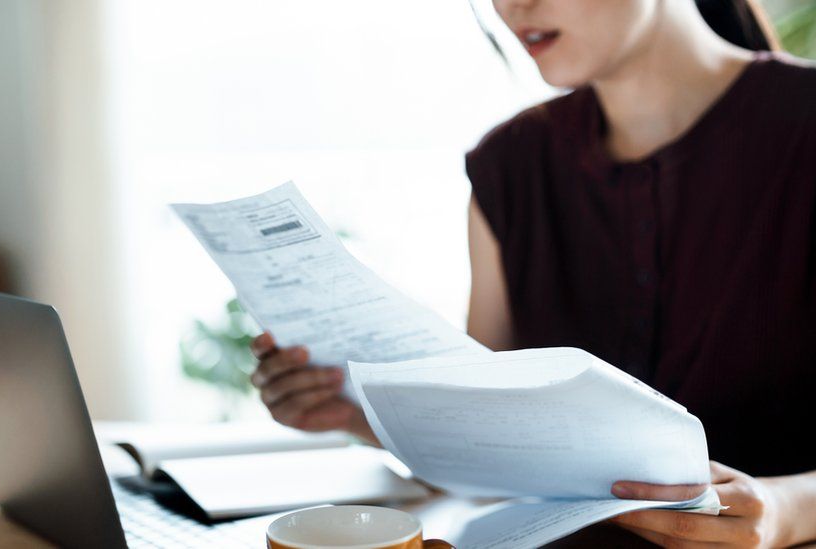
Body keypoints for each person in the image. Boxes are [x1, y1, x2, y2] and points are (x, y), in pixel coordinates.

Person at [249, 0, 816, 545]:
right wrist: (354, 414)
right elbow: (495, 442)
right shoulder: (508, 168)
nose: (513, 5)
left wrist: (787, 512)